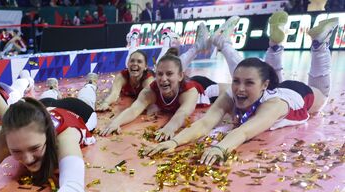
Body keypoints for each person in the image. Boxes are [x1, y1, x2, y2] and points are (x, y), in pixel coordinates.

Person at [144, 13, 338, 165]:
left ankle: (319, 44)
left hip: (303, 93)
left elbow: (244, 132)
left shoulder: (273, 106)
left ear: (265, 86)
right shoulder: (233, 93)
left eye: (248, 83)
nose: (239, 89)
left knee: (322, 93)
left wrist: (220, 148)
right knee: (261, 72)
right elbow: (205, 123)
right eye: (235, 81)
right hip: (276, 86)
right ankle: (274, 45)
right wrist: (175, 142)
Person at [99, 18, 239, 139]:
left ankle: (223, 43)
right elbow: (134, 109)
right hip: (185, 79)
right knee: (171, 67)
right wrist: (115, 123)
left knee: (237, 89)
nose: (163, 79)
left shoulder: (189, 91)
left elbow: (182, 113)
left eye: (169, 74)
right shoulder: (151, 89)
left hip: (204, 87)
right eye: (159, 74)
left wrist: (169, 128)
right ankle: (198, 46)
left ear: (180, 76)